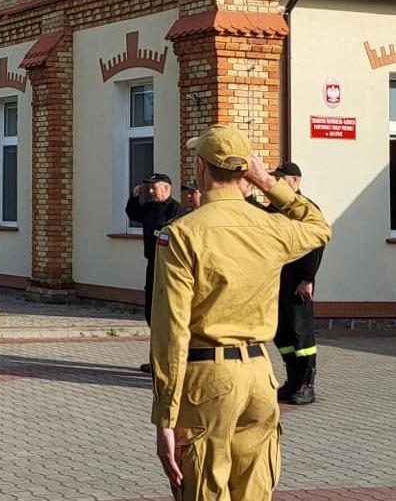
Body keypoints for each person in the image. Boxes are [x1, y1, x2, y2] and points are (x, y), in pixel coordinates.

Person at [151, 125, 332, 500]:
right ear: (245, 170)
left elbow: (172, 331)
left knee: (204, 490)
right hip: (259, 375)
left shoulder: (183, 233)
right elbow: (318, 226)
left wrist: (165, 416)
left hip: (207, 378)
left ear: (201, 167)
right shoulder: (271, 227)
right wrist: (268, 183)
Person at [265, 162, 323, 406]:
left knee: (301, 335)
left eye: (281, 179)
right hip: (276, 280)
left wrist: (307, 279)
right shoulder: (273, 209)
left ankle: (307, 384)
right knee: (282, 333)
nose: (276, 183)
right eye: (275, 178)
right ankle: (293, 380)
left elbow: (315, 245)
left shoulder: (305, 209)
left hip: (298, 280)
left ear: (295, 181)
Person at [127, 173, 184, 328]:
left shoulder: (177, 210)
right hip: (153, 260)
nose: (151, 192)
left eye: (154, 188)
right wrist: (134, 197)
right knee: (151, 297)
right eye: (149, 188)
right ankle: (153, 327)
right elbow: (133, 214)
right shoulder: (149, 208)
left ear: (166, 188)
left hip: (170, 263)